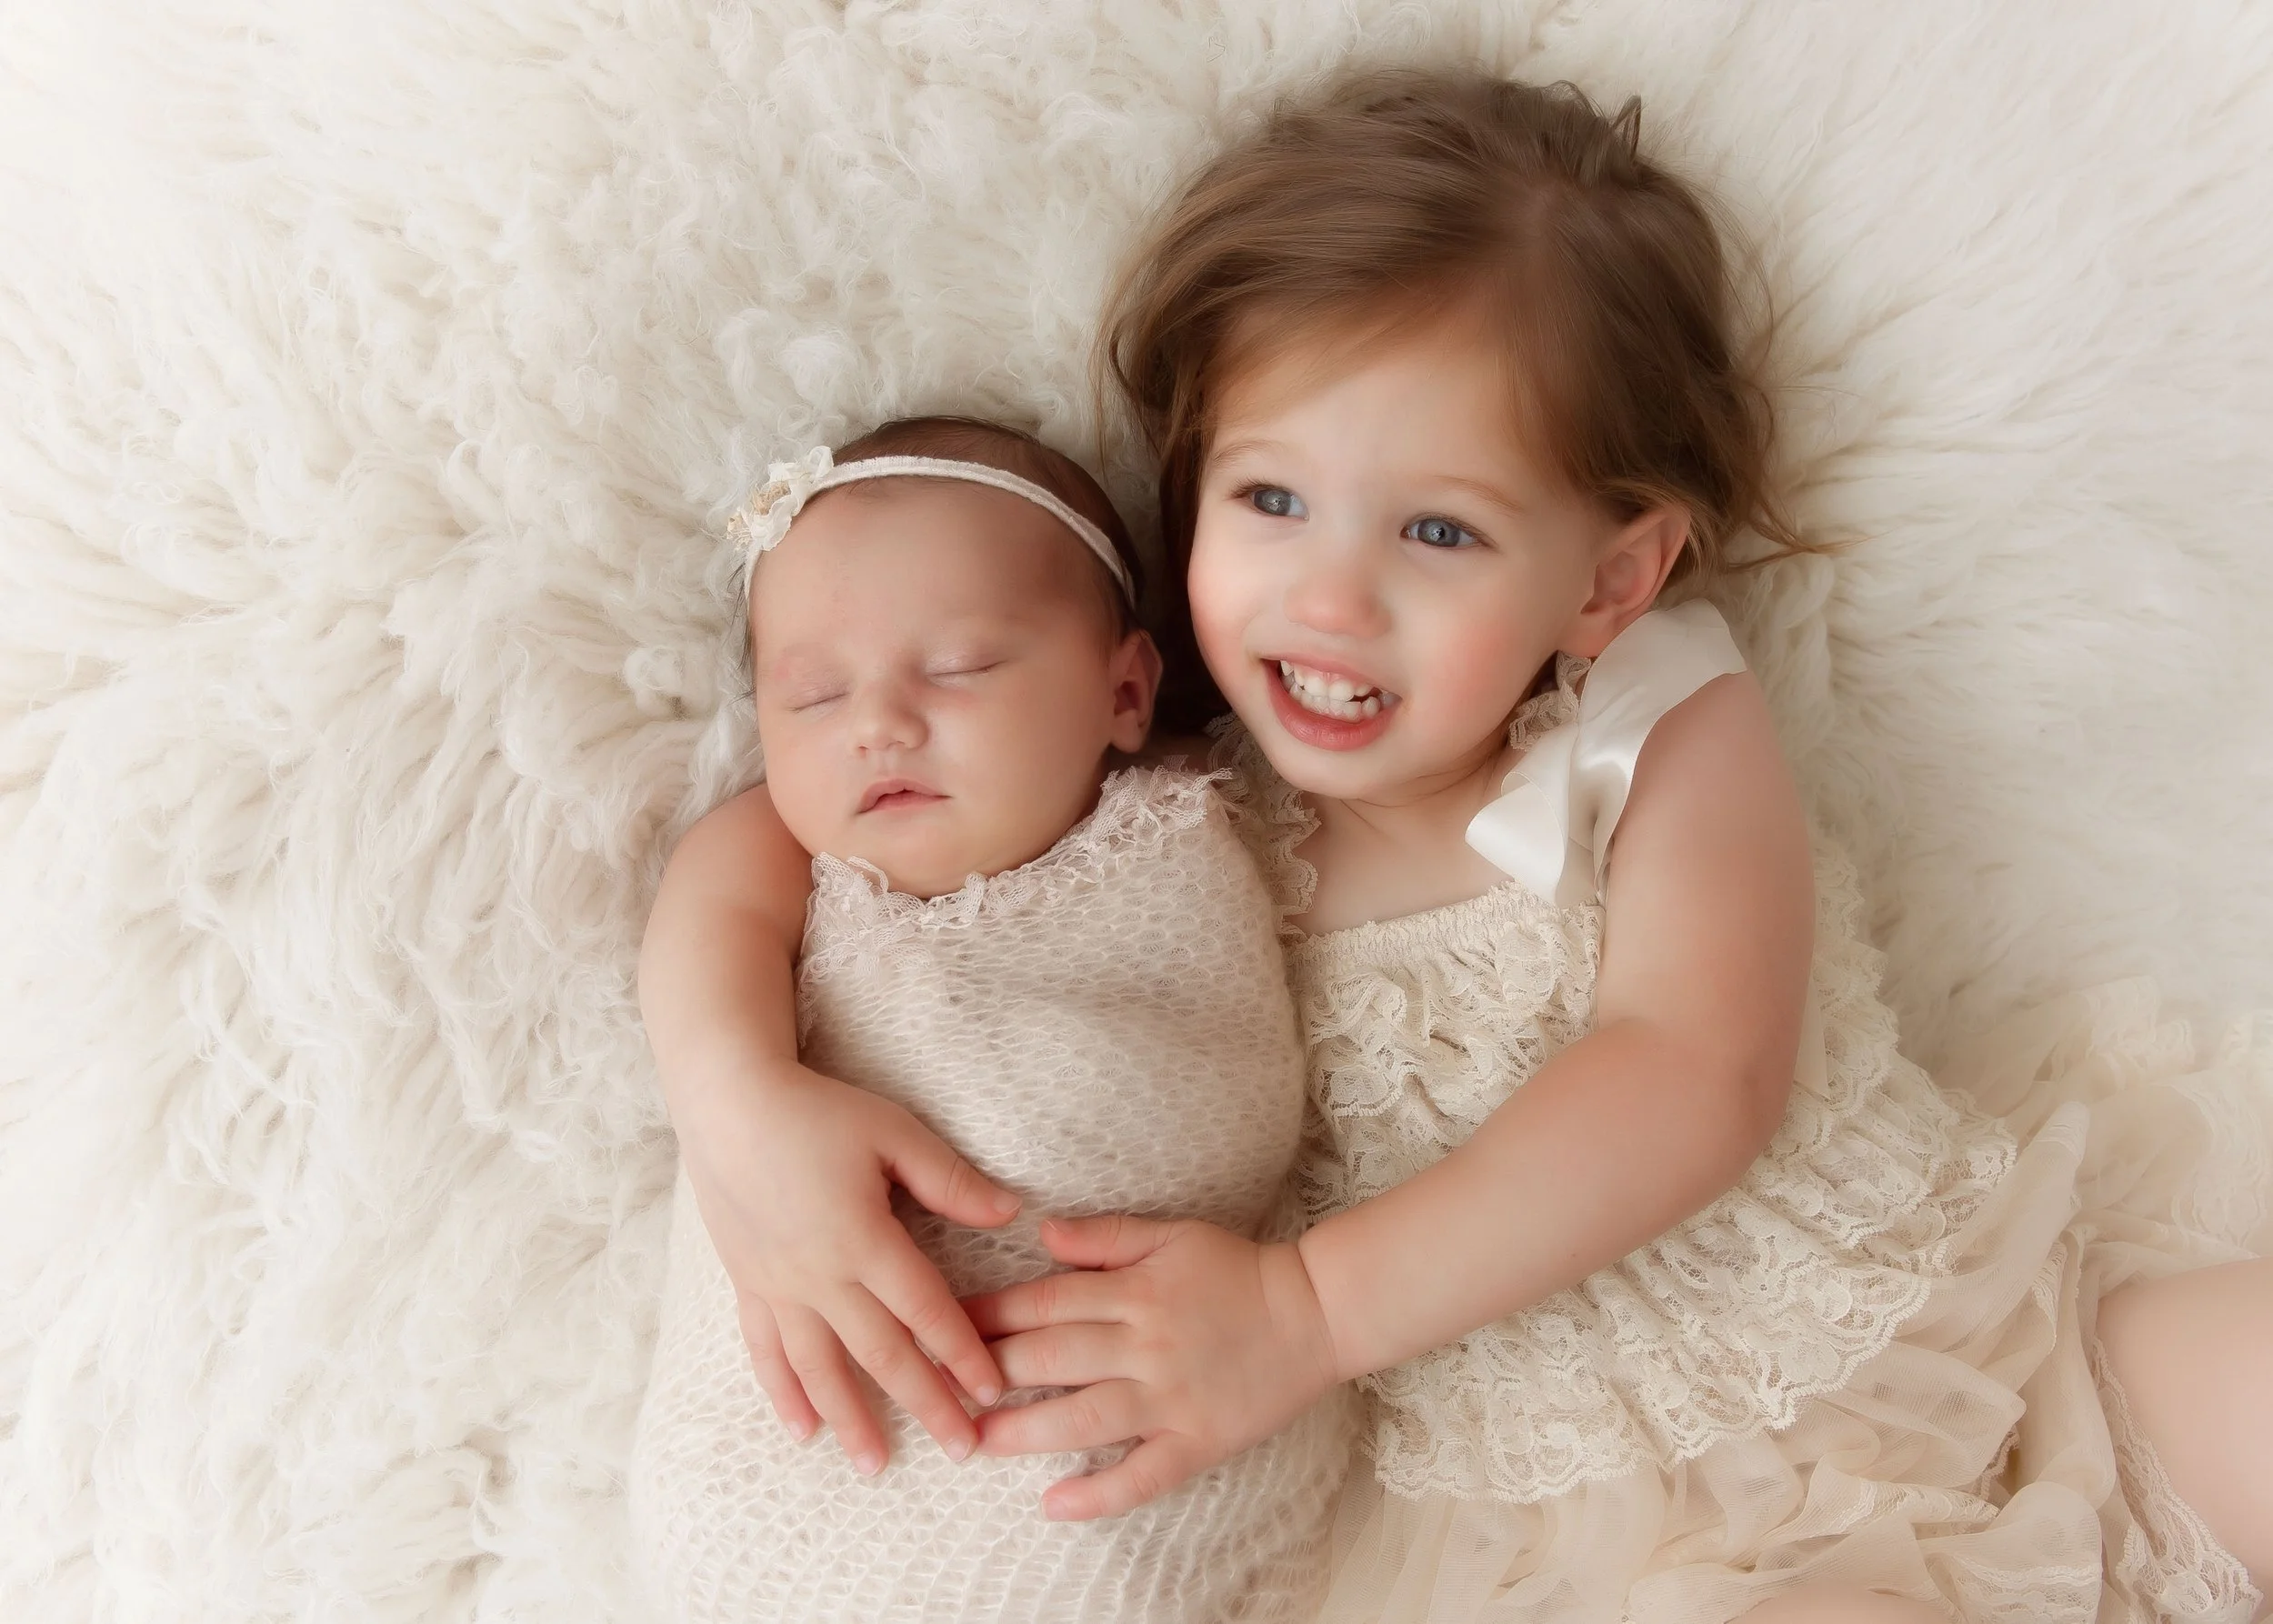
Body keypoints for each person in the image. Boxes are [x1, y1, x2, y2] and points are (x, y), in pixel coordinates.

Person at [942, 70, 2273, 1623]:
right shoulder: (1168, 812)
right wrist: (743, 1093)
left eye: (1438, 531)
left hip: (1976, 1341)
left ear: (1608, 581)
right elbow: (804, 817)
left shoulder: (1650, 725)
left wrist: (1307, 1309)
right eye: (1273, 497)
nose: (1333, 596)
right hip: (1616, 1540)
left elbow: (1697, 1067)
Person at [626, 416, 1351, 1622]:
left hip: (1119, 1411)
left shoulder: (1193, 804)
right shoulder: (793, 857)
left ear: (1126, 689)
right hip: (802, 1433)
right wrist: (739, 1097)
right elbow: (700, 926)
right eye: (812, 694)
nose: (877, 724)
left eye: (959, 668)